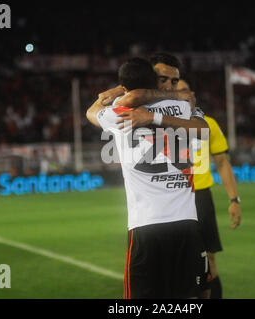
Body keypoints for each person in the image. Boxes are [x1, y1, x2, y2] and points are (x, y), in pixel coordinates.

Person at [86, 57, 210, 299]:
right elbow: (203, 130)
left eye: (174, 81)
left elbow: (91, 112)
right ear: (152, 79)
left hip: (148, 225)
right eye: (163, 79)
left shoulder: (122, 111)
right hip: (183, 223)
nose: (170, 86)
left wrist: (121, 92)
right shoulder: (185, 108)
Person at [178, 79, 242, 299]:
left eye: (186, 89)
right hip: (172, 198)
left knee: (209, 260)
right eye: (177, 91)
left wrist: (234, 199)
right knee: (177, 265)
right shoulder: (158, 124)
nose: (183, 94)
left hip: (201, 197)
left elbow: (223, 163)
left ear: (193, 94)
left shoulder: (209, 124)